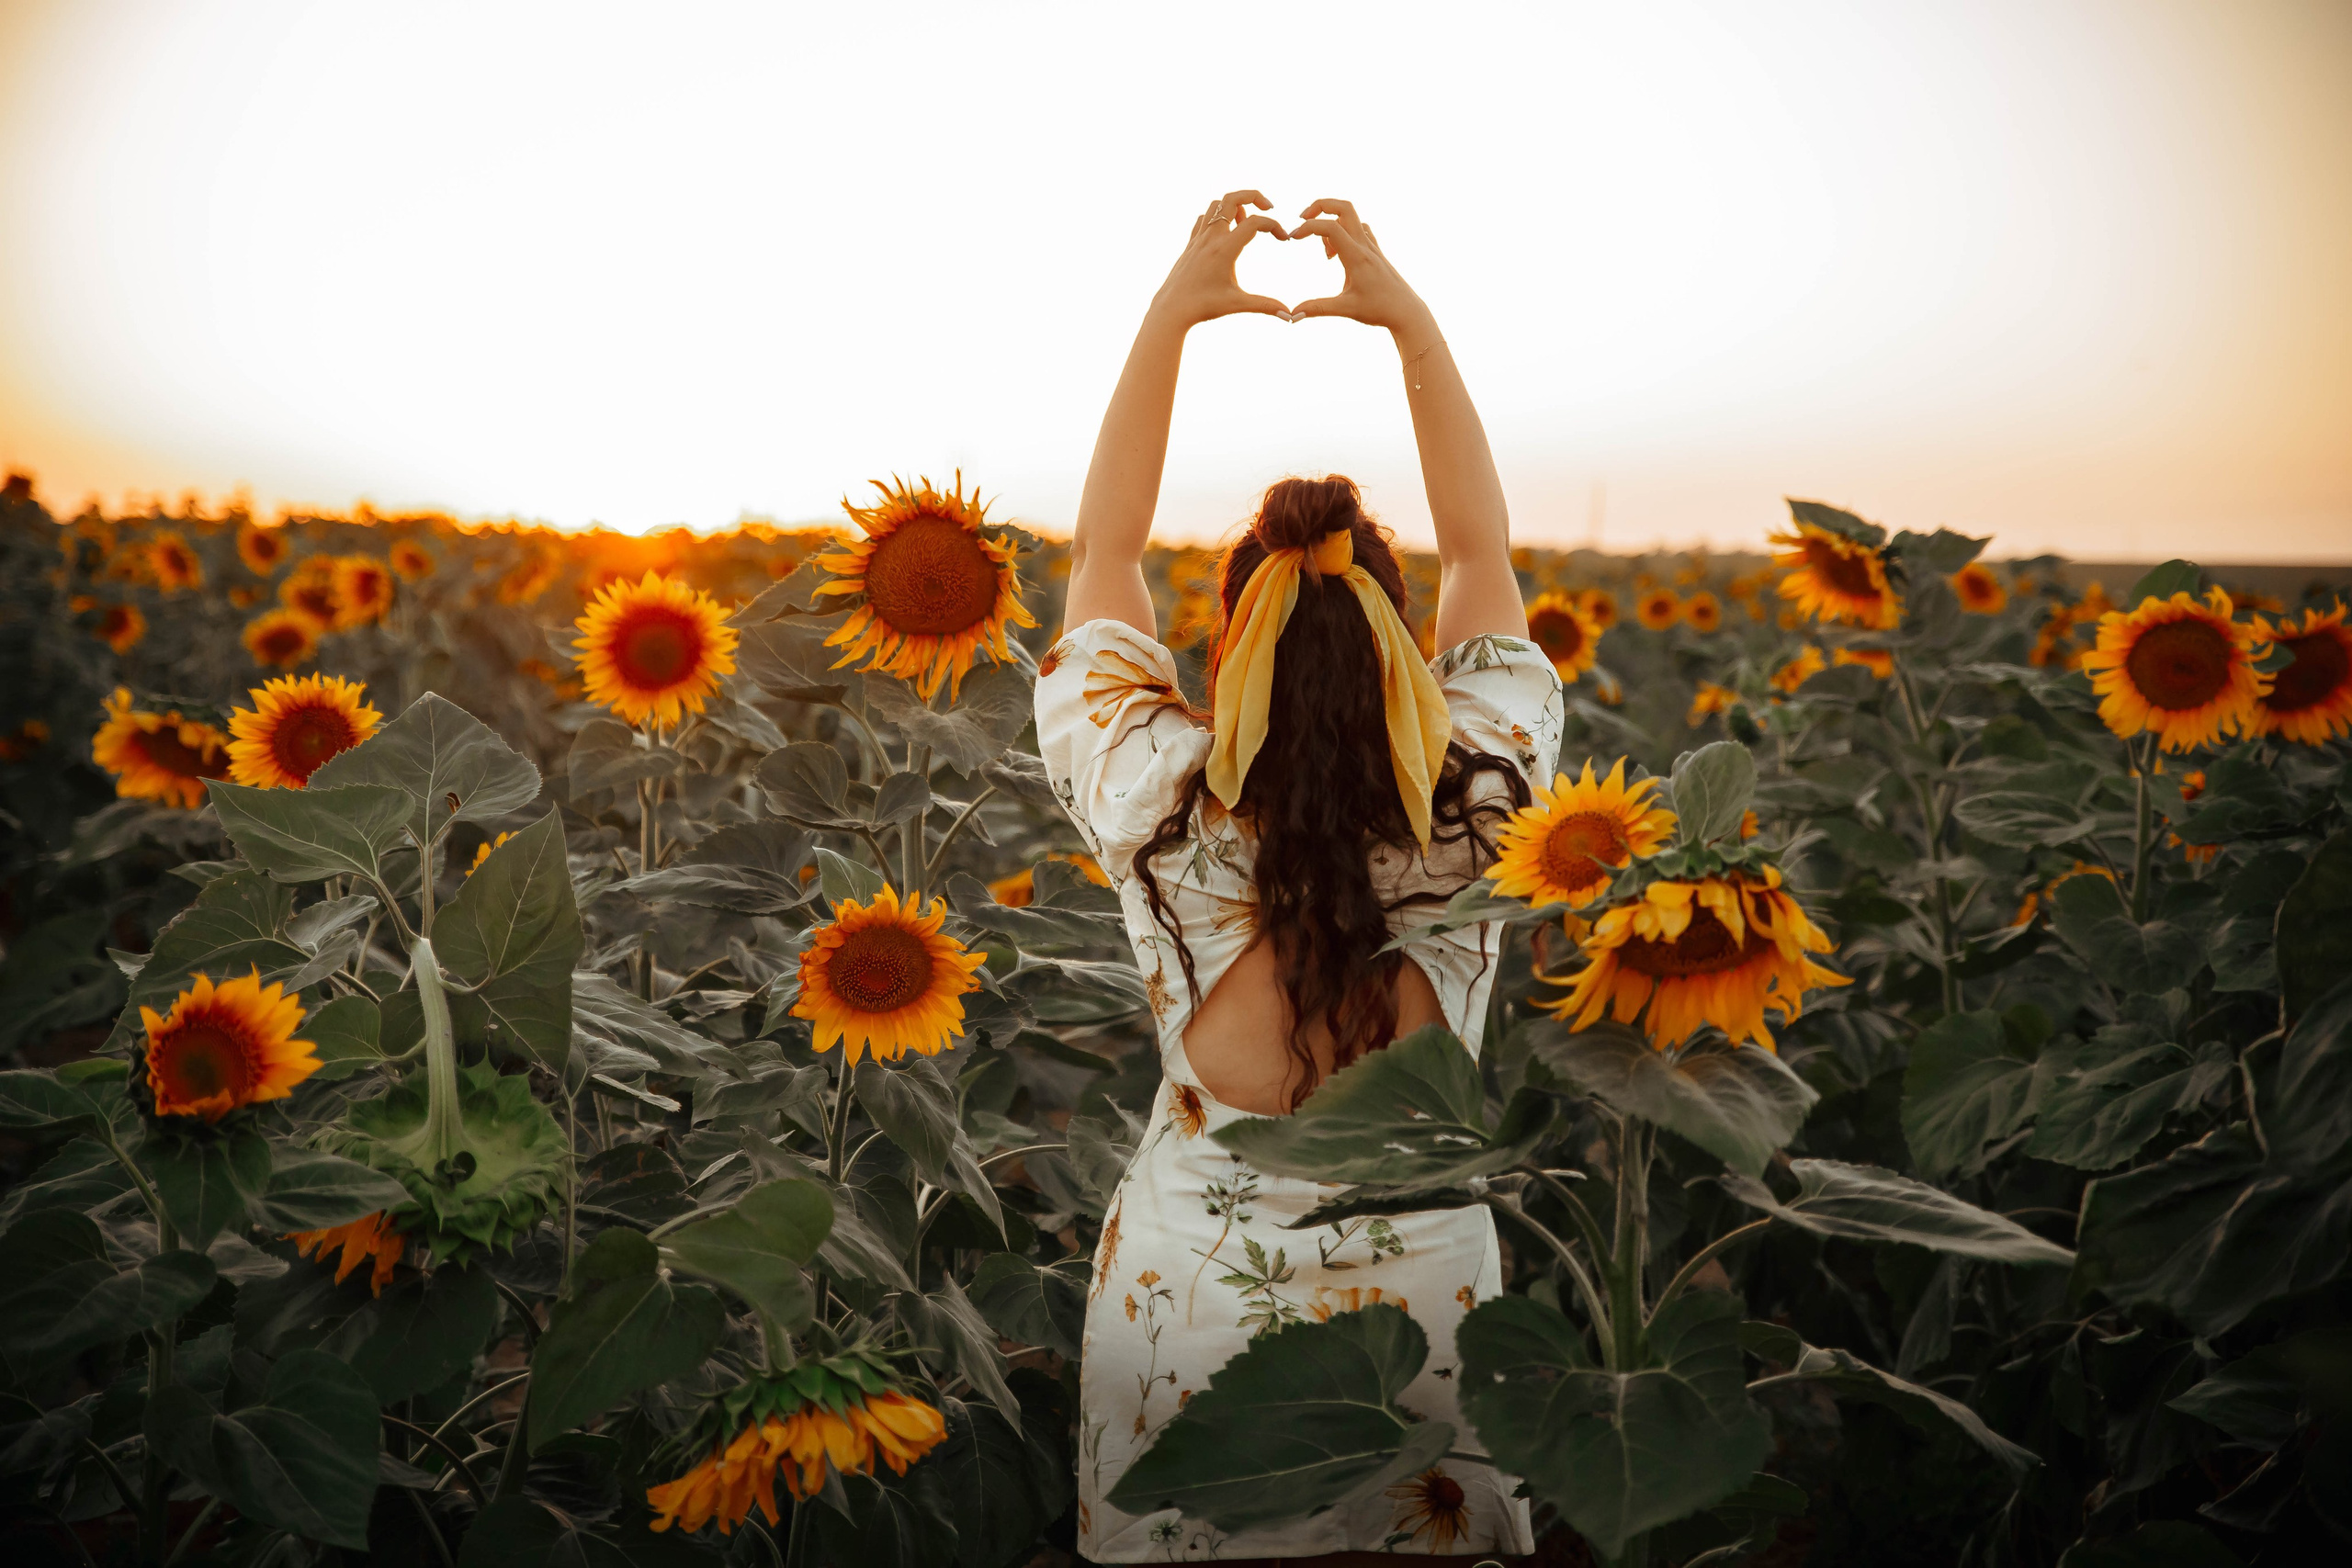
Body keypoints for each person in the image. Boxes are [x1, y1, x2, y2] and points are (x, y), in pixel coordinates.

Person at [1036, 191, 1564, 1565]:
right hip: (1435, 1343)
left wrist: (1176, 311)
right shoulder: (1489, 801)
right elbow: (1492, 559)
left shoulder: (1153, 796)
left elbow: (1101, 557)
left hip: (1187, 1318)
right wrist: (1408, 326)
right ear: (1403, 645)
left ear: (1232, 645)